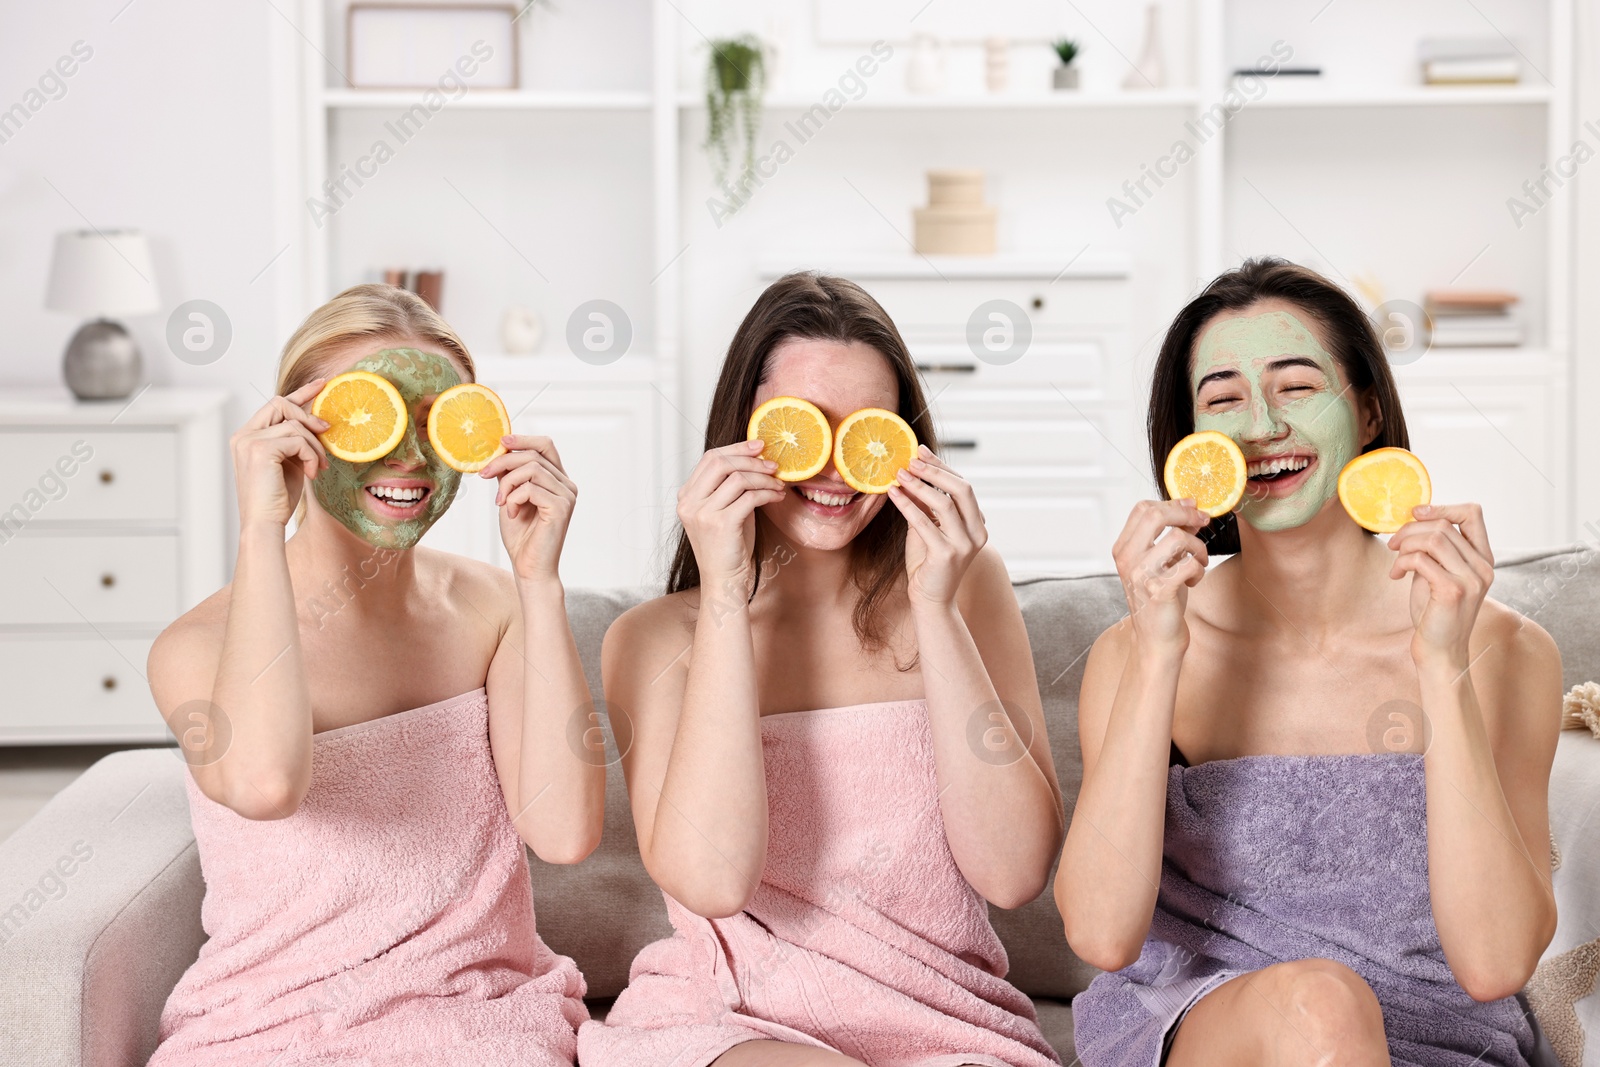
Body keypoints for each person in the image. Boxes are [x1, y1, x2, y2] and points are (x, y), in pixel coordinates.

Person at [1058, 258, 1562, 1067]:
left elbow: (1496, 962)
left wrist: (1441, 663)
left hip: (1439, 1043)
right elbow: (1100, 933)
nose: (1260, 426)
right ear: (1193, 445)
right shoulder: (1134, 651)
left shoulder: (1505, 652)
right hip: (1207, 1033)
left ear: (1365, 411)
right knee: (1321, 1004)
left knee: (1332, 1011)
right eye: (1223, 399)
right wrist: (1159, 652)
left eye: (1294, 386)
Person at [578, 272, 1065, 1067]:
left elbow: (1013, 872)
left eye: (869, 429)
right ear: (742, 430)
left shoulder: (968, 587)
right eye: (806, 425)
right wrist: (727, 598)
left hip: (944, 1027)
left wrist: (935, 608)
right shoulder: (654, 638)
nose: (838, 464)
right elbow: (713, 880)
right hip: (728, 1025)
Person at [144, 284, 597, 1065]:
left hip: (481, 1024)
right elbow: (264, 784)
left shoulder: (496, 607)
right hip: (265, 1025)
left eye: (437, 420)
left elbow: (564, 832)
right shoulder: (193, 647)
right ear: (293, 428)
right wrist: (261, 523)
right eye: (369, 413)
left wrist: (539, 580)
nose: (411, 455)